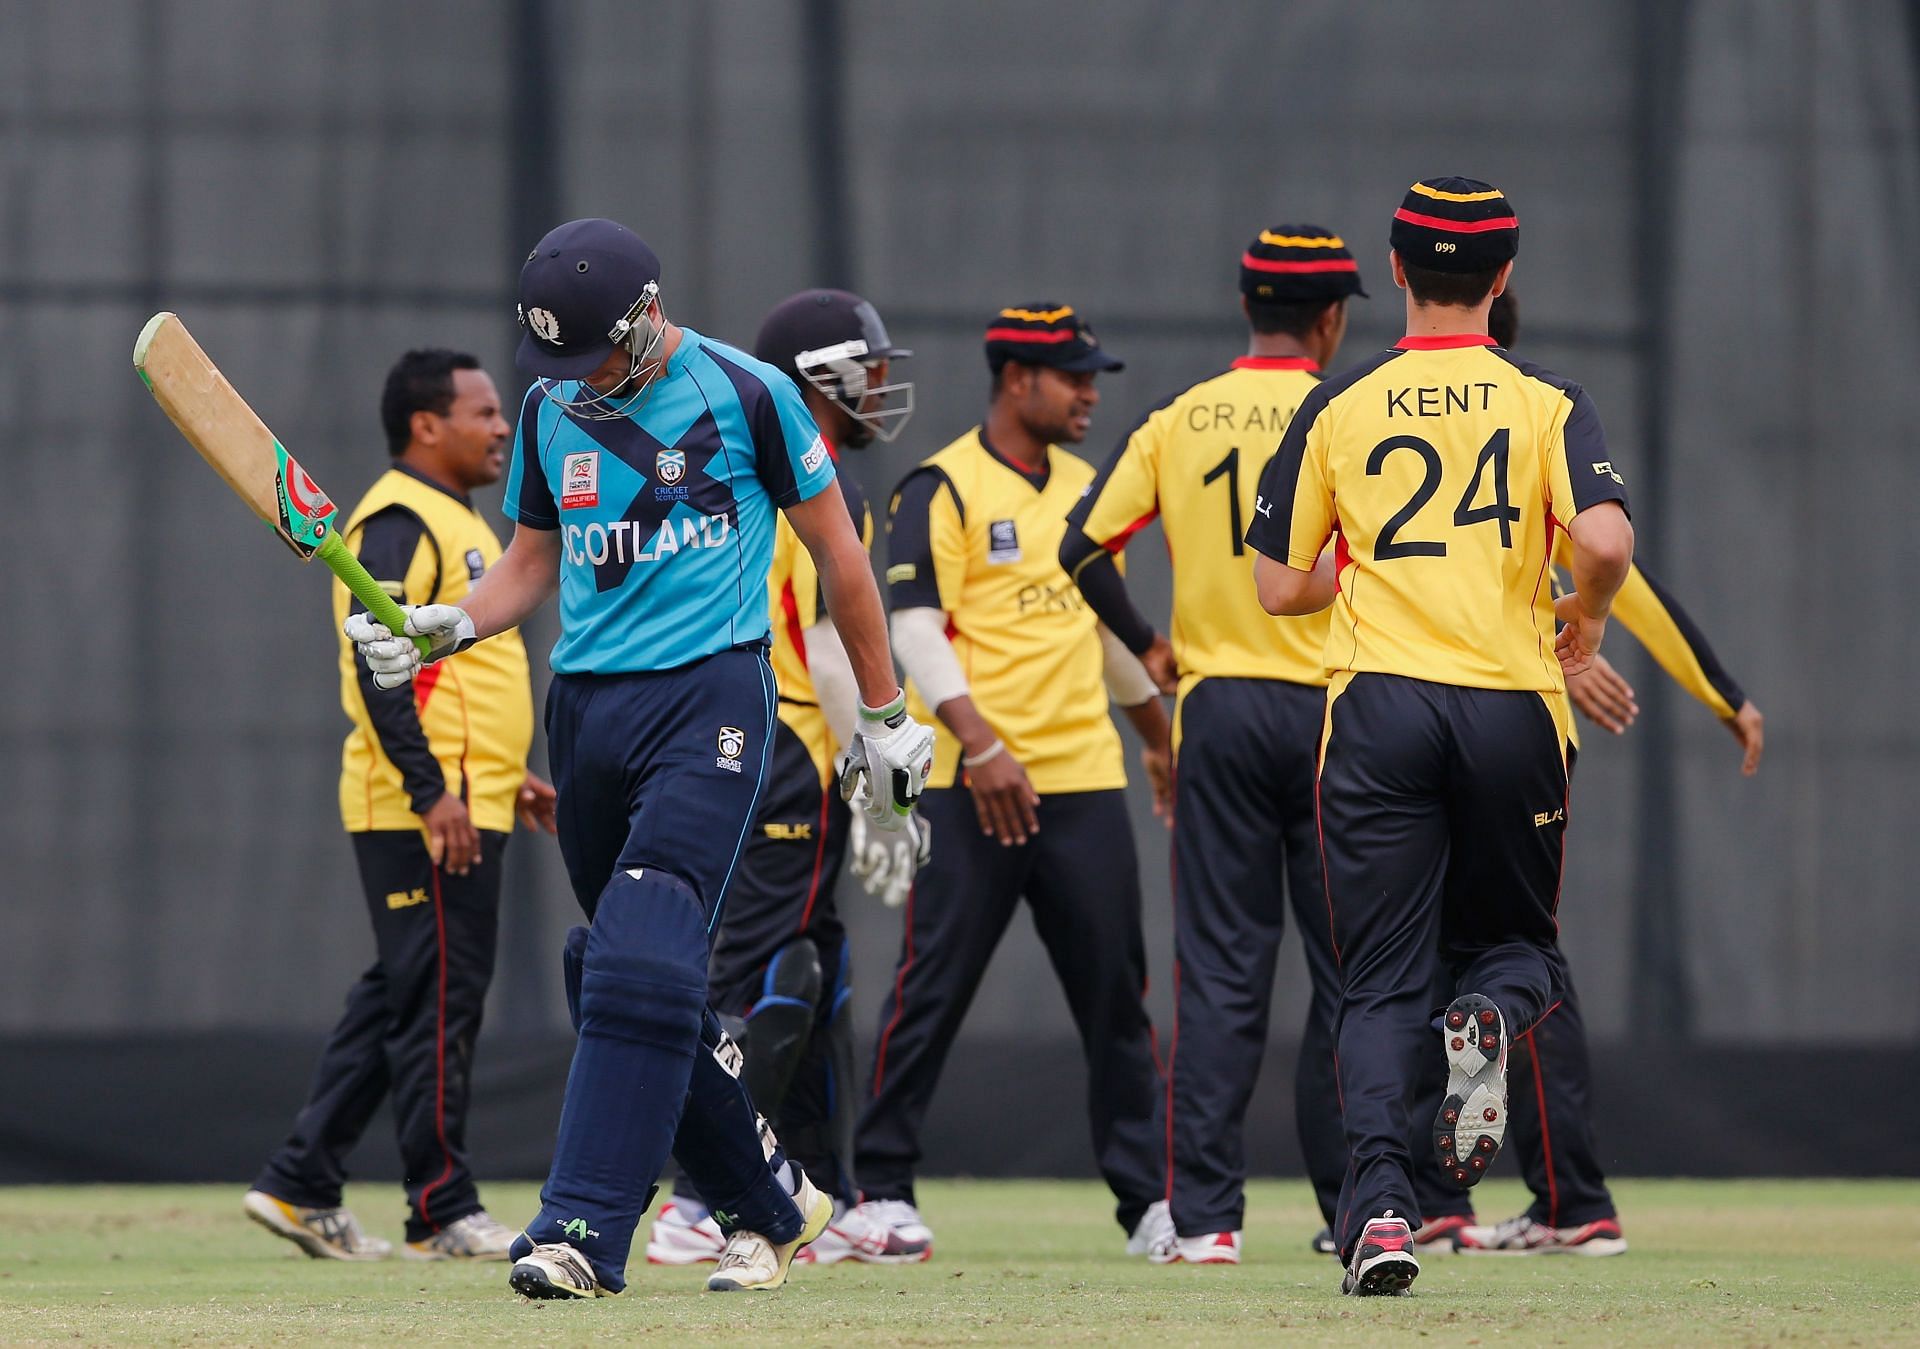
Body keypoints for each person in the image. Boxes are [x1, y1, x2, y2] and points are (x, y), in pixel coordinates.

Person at [347, 219, 934, 1299]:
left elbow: (840, 555)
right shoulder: (548, 406)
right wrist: (447, 625)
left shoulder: (749, 393)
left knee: (639, 955)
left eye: (598, 356)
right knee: (623, 967)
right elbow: (528, 565)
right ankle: (773, 1200)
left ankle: (580, 1225)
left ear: (648, 316)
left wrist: (886, 717)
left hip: (713, 693)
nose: (586, 383)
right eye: (562, 365)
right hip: (590, 712)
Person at [1246, 178, 1635, 1296]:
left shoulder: (1340, 403)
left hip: (1377, 711)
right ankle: (1487, 1018)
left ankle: (1379, 1211)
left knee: (1373, 982)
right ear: (1505, 277)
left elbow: (1278, 587)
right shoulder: (1547, 399)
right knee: (1522, 951)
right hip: (1513, 706)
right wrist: (1588, 616)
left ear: (1399, 270)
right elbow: (1603, 539)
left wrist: (1359, 564)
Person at [1407, 291, 1766, 1257]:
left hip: (1401, 734)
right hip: (1519, 733)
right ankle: (1562, 1199)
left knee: (1413, 961)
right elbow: (1624, 581)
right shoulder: (1537, 438)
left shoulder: (1380, 432)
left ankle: (1443, 1197)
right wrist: (1722, 693)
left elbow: (1327, 591)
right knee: (1514, 958)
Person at [1059, 227, 1364, 1264]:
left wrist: (1150, 645)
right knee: (1353, 970)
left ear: (1248, 307)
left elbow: (1081, 544)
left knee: (1221, 972)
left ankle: (1205, 1222)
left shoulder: (1179, 415)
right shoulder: (1351, 408)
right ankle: (1363, 1210)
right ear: (1330, 318)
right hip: (1335, 713)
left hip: (1219, 707)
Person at [851, 304, 1174, 1258]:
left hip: (1082, 782)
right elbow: (912, 628)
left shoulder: (1087, 488)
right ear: (1015, 379)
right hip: (969, 781)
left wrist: (1156, 737)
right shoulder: (939, 486)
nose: (1088, 394)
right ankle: (881, 1187)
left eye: (1093, 378)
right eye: (1072, 376)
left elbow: (1109, 637)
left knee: (1117, 996)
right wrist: (984, 747)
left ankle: (1149, 1203)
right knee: (931, 986)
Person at [245, 349, 556, 1262]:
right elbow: (374, 661)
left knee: (406, 991)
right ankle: (441, 1207)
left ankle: (301, 1179)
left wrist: (506, 773)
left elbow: (458, 671)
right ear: (428, 424)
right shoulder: (393, 517)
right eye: (483, 411)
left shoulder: (454, 519)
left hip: (469, 796)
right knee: (437, 1004)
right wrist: (432, 792)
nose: (502, 427)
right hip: (421, 808)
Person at [647, 288, 933, 1268]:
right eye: (870, 369)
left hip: (751, 740)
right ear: (820, 376)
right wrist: (878, 769)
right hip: (789, 747)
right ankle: (699, 1199)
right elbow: (822, 639)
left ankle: (822, 1180)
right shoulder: (811, 475)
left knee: (816, 966)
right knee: (762, 972)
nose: (882, 386)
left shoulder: (733, 461)